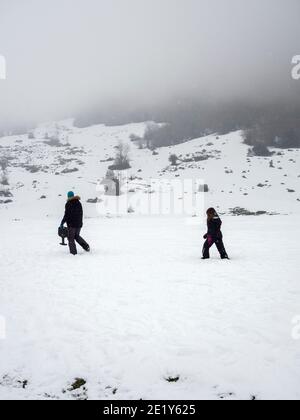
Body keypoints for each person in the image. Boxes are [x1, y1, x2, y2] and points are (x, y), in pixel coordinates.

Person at [60, 191, 90, 255]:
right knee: (76, 236)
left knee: (71, 238)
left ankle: (73, 253)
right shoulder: (78, 203)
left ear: (68, 196)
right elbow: (80, 213)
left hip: (72, 225)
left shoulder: (68, 204)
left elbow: (66, 215)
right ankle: (86, 246)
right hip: (79, 224)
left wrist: (62, 222)